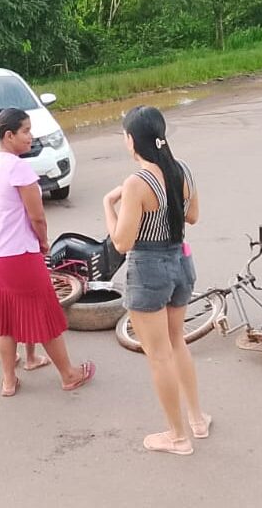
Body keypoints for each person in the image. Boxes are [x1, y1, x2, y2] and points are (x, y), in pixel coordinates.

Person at [103, 106, 207, 456]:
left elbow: (121, 242)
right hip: (181, 262)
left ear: (132, 140)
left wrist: (108, 203)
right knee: (178, 343)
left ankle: (177, 437)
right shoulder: (181, 170)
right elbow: (192, 216)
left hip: (149, 269)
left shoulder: (137, 183)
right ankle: (197, 419)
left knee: (158, 355)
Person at [0, 108, 95, 397]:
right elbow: (37, 217)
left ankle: (9, 379)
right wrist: (43, 242)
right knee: (45, 313)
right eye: (26, 131)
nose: (31, 137)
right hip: (16, 255)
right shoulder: (20, 169)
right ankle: (69, 374)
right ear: (9, 135)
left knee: (4, 318)